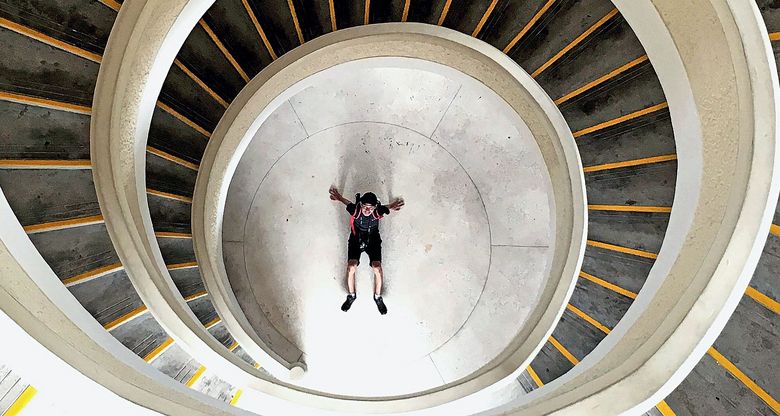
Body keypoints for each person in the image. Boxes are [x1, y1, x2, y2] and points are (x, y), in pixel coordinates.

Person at [329, 186, 404, 314]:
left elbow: (385, 207)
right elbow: (348, 203)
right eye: (364, 206)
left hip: (373, 240)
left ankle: (378, 297)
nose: (367, 210)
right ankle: (351, 295)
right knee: (351, 267)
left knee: (377, 268)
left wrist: (392, 205)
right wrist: (339, 197)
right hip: (355, 239)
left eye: (371, 207)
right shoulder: (356, 210)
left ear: (375, 207)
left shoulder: (377, 212)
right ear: (361, 205)